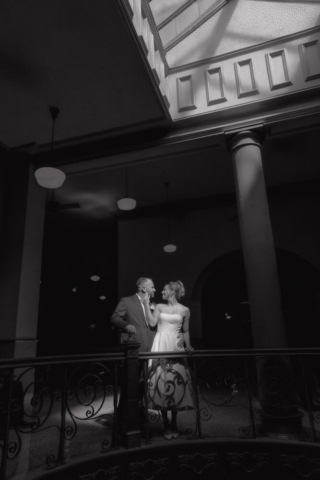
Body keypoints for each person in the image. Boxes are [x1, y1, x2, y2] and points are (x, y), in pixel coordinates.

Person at [142, 280, 195, 440]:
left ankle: (174, 423)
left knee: (176, 382)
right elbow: (152, 322)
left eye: (164, 289)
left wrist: (189, 345)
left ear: (172, 292)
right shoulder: (159, 307)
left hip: (175, 346)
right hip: (161, 344)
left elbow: (185, 331)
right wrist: (145, 304)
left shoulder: (185, 310)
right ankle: (165, 423)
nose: (162, 292)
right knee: (162, 382)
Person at [111, 277, 157, 353]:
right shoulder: (127, 301)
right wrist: (126, 325)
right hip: (134, 346)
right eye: (152, 287)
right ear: (144, 289)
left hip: (152, 347)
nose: (154, 290)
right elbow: (115, 317)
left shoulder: (154, 305)